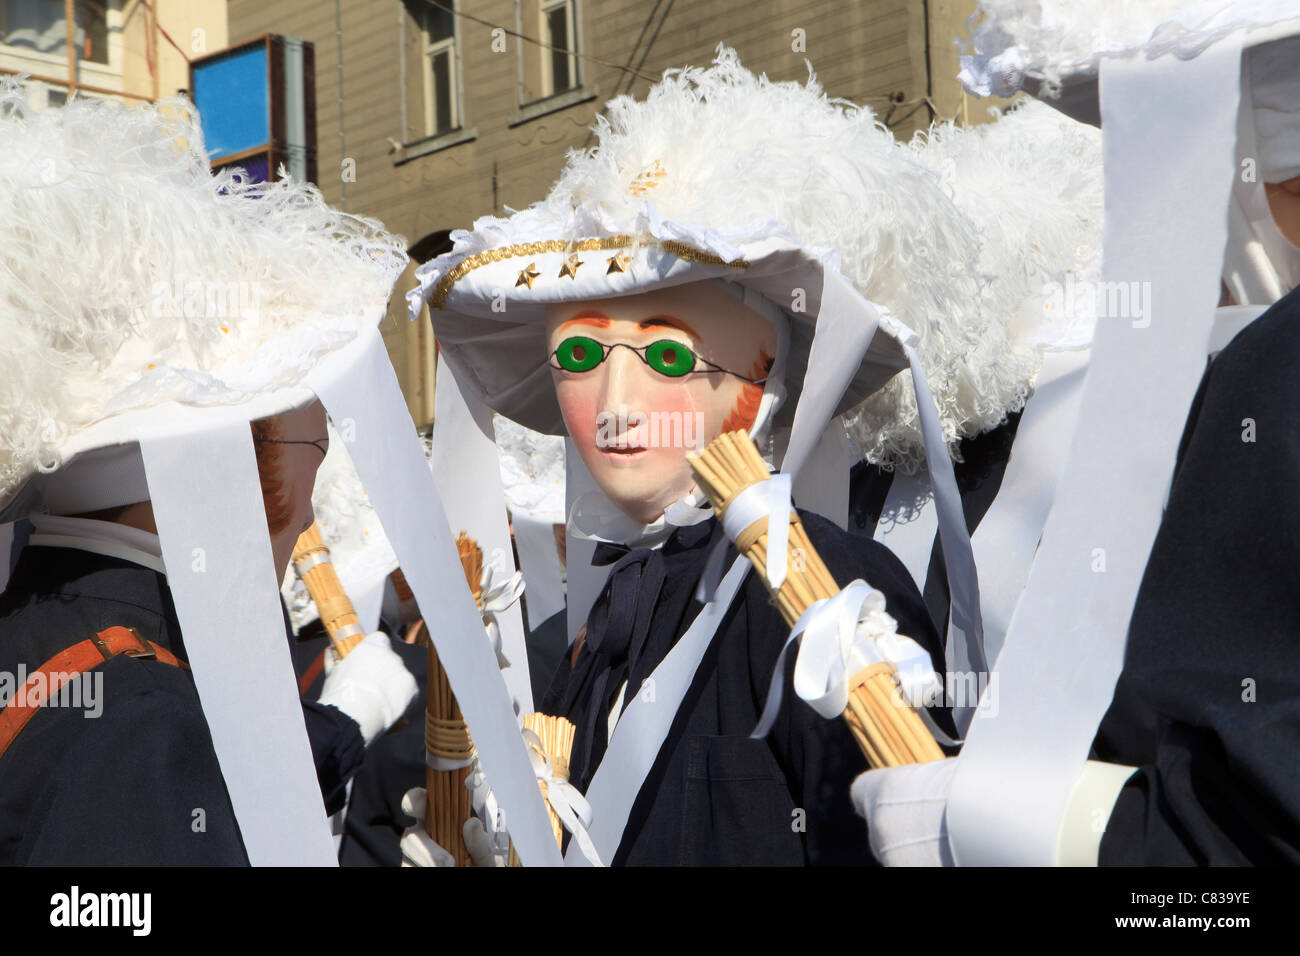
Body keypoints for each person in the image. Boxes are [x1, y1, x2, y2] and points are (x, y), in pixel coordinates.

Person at [407, 47, 1094, 865]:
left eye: (667, 358)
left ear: (762, 386)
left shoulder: (827, 593)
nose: (616, 406)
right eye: (582, 357)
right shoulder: (606, 624)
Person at [0, 82, 414, 864]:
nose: (307, 517)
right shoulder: (148, 717)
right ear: (238, 465)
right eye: (311, 454)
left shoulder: (40, 637)